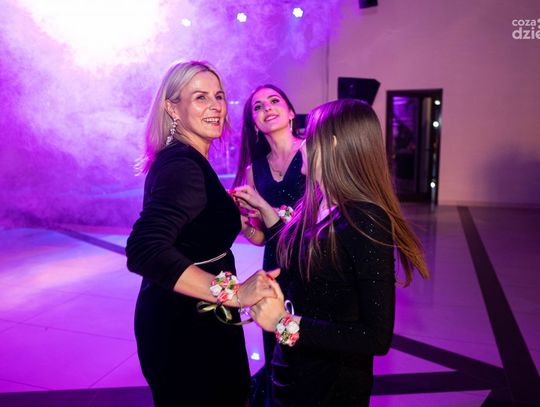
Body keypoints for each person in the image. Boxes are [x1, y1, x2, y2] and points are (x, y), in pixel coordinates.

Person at [243, 99, 430, 406]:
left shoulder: (366, 220)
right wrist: (262, 211)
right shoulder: (318, 201)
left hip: (329, 385)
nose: (302, 144)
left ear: (330, 145)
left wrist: (283, 322)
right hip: (294, 367)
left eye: (308, 136)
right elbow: (303, 254)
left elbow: (375, 337)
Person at [125, 60, 279, 407]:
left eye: (218, 96)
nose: (215, 106)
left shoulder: (186, 159)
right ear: (172, 108)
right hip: (185, 328)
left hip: (195, 315)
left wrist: (231, 217)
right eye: (200, 97)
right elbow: (145, 249)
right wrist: (234, 293)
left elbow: (189, 232)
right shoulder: (182, 165)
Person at [231, 85, 306, 405]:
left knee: (307, 340)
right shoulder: (254, 170)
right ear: (254, 123)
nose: (267, 108)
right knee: (277, 344)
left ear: (291, 113)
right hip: (275, 267)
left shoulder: (313, 152)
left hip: (310, 261)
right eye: (258, 107)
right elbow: (263, 236)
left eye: (274, 101)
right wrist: (243, 224)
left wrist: (266, 207)